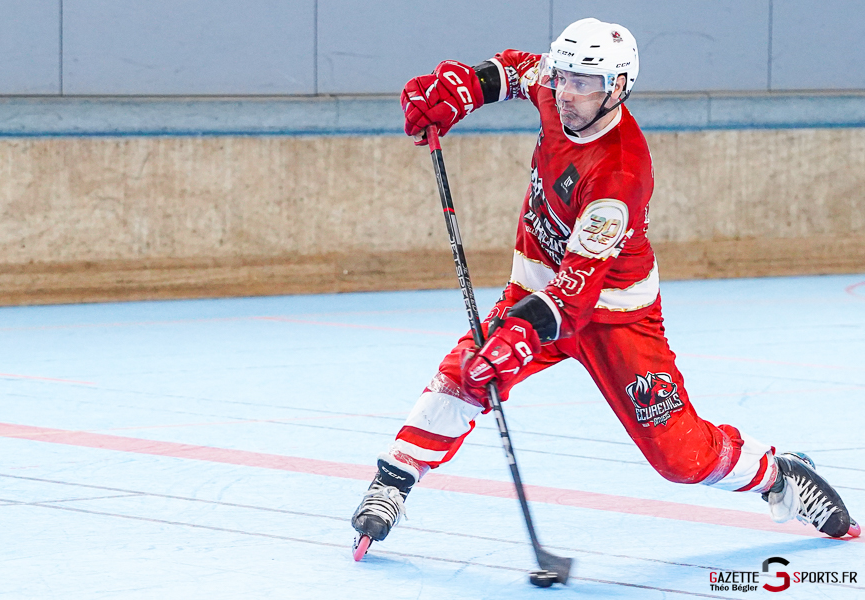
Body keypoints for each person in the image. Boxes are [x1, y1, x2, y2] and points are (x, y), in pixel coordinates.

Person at [351, 18, 860, 554]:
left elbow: (576, 292)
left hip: (615, 316)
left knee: (681, 460)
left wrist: (519, 334)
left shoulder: (620, 172)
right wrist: (461, 91)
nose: (567, 93)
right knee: (467, 374)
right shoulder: (556, 88)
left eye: (585, 83)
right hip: (536, 293)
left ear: (616, 88)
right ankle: (393, 480)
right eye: (564, 76)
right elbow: (512, 70)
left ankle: (778, 474)